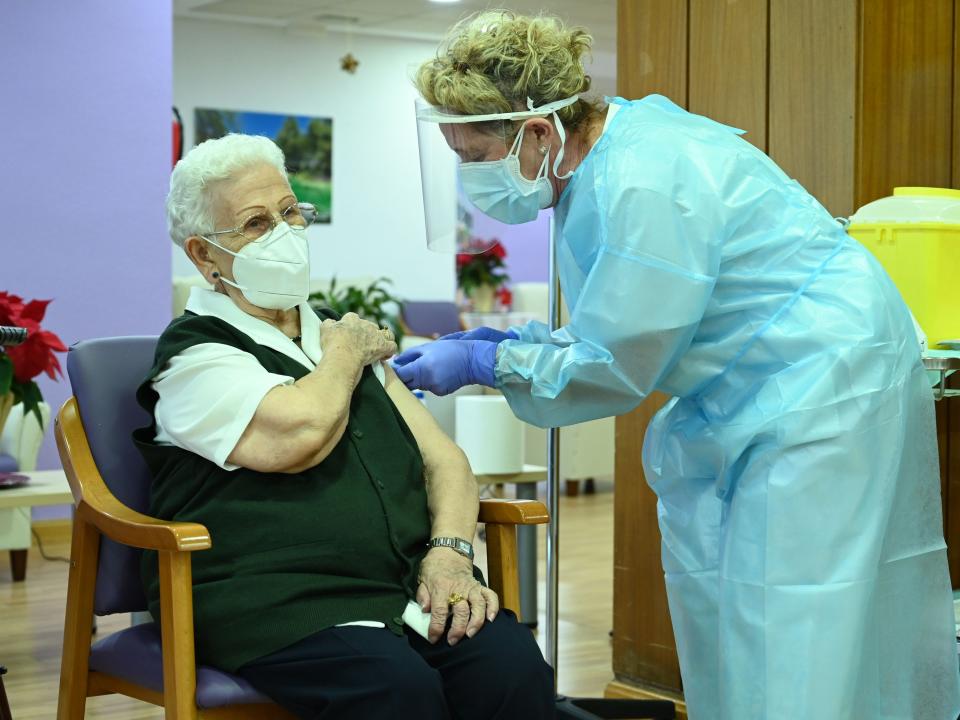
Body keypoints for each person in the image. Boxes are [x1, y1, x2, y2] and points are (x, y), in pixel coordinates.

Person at [394, 11, 960, 720]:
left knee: (794, 621)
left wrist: (488, 358)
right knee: (733, 612)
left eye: (472, 152)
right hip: (755, 386)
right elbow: (610, 324)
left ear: (536, 131)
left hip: (823, 384)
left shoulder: (645, 178)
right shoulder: (597, 164)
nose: (469, 175)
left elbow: (612, 363)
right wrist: (501, 347)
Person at [133, 133, 555, 720]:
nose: (285, 234)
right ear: (205, 256)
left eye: (289, 212)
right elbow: (299, 436)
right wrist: (345, 353)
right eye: (256, 224)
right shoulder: (195, 358)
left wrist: (451, 552)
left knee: (513, 670)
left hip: (401, 588)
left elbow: (445, 461)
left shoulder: (332, 334)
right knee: (396, 692)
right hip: (274, 602)